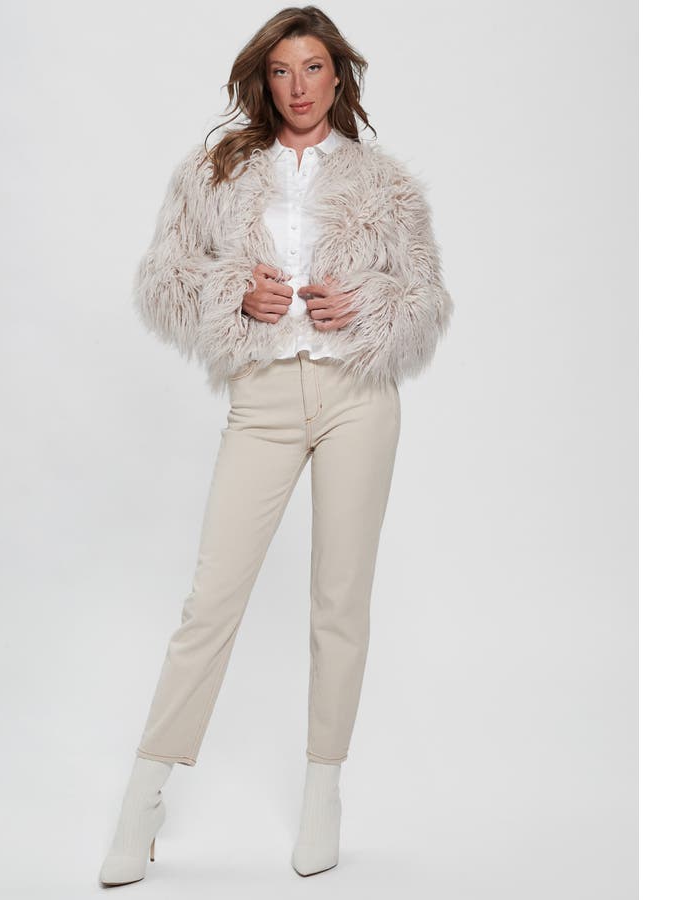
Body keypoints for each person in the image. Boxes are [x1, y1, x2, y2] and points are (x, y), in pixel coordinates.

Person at [99, 5, 453, 886]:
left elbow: (426, 298)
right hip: (261, 398)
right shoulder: (217, 170)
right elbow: (160, 278)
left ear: (339, 77)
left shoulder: (385, 185)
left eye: (314, 68)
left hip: (357, 398)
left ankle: (323, 793)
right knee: (211, 601)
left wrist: (368, 305)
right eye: (283, 70)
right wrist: (233, 290)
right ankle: (143, 799)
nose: (298, 86)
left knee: (340, 601)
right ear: (264, 79)